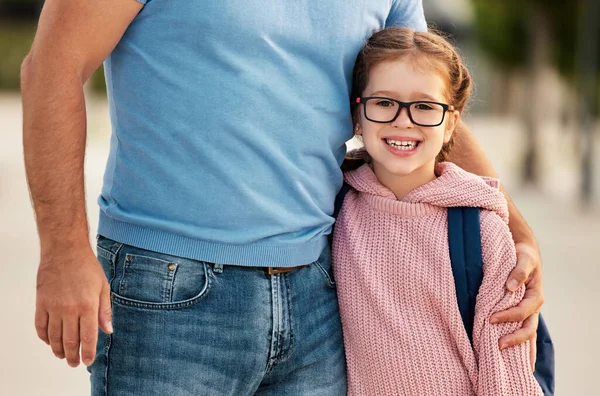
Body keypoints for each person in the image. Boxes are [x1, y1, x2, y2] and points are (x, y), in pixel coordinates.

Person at [20, 0, 544, 395]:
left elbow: (425, 99)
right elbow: (52, 68)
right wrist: (63, 251)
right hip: (169, 293)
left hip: (319, 294)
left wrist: (515, 231)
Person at [332, 27, 543, 395]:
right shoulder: (337, 208)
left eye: (425, 107)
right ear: (357, 114)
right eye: (384, 102)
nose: (403, 120)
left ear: (450, 125)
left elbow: (507, 371)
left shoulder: (482, 230)